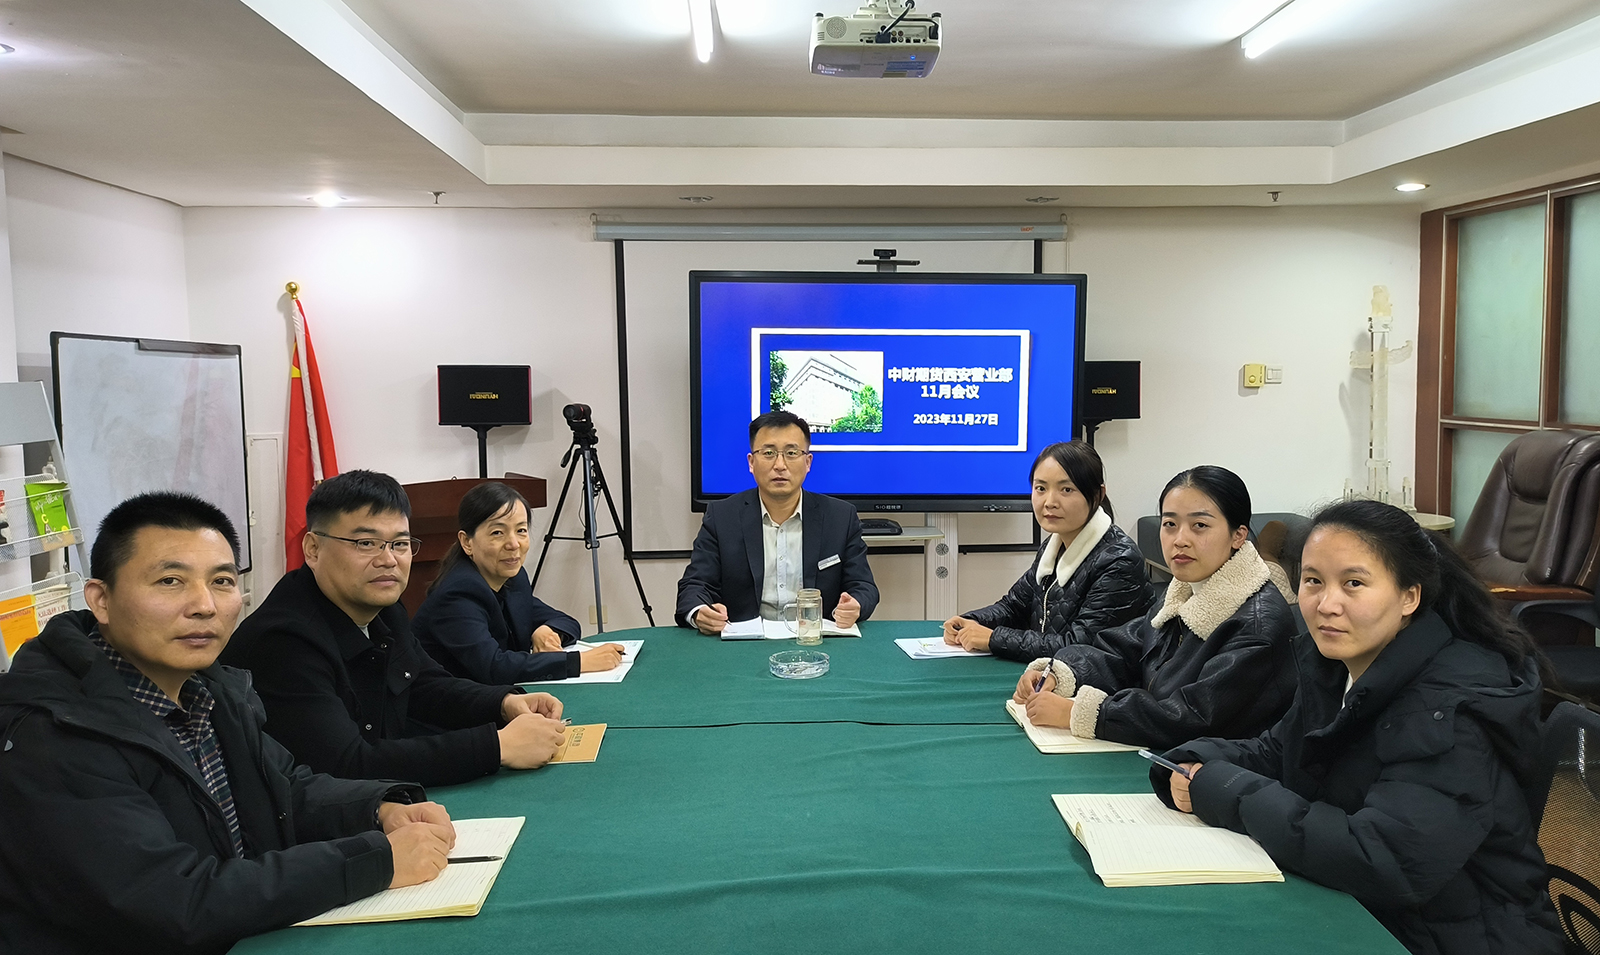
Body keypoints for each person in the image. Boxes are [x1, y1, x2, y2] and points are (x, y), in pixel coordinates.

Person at [0, 493, 457, 955]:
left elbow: (285, 789)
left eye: (221, 581)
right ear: (101, 599)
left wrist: (377, 810)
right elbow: (173, 902)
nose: (204, 605)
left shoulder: (211, 688)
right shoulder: (54, 731)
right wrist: (373, 861)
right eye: (170, 581)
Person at [1153, 500, 1564, 955]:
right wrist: (1195, 759)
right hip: (1376, 913)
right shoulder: (1340, 666)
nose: (1327, 605)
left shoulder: (1446, 706)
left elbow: (1385, 860)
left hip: (1456, 937)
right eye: (1313, 581)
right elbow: (1279, 752)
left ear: (1409, 597)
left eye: (1353, 583)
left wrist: (1225, 789)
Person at [221, 470, 569, 788]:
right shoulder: (283, 641)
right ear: (313, 549)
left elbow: (423, 685)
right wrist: (497, 747)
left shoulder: (385, 609)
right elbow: (346, 764)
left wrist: (503, 703)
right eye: (365, 543)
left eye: (400, 544)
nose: (388, 560)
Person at [1010, 465, 1296, 748]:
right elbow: (1124, 650)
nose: (1180, 540)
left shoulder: (1257, 626)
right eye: (1170, 524)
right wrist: (1060, 673)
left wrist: (1083, 714)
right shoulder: (1186, 590)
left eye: (1200, 525)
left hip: (1211, 768)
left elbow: (1192, 718)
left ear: (1238, 535)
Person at [942, 440, 1153, 660]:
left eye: (1066, 490)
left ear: (1098, 495)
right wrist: (970, 622)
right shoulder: (1053, 545)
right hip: (1050, 673)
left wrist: (993, 638)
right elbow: (1014, 607)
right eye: (1041, 488)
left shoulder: (1120, 560)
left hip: (1104, 681)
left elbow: (1080, 646)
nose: (1050, 502)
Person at [676, 410, 879, 634]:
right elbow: (695, 585)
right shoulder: (722, 516)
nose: (780, 465)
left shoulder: (840, 517)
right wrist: (700, 611)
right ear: (751, 462)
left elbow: (864, 586)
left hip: (815, 639)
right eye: (769, 453)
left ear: (808, 462)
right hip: (744, 642)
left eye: (791, 453)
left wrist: (856, 604)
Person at [414, 481, 625, 683]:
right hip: (443, 706)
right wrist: (578, 662)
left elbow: (566, 621)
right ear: (467, 542)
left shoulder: (513, 578)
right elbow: (494, 667)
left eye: (521, 530)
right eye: (497, 532)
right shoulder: (457, 594)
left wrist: (546, 631)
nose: (514, 544)